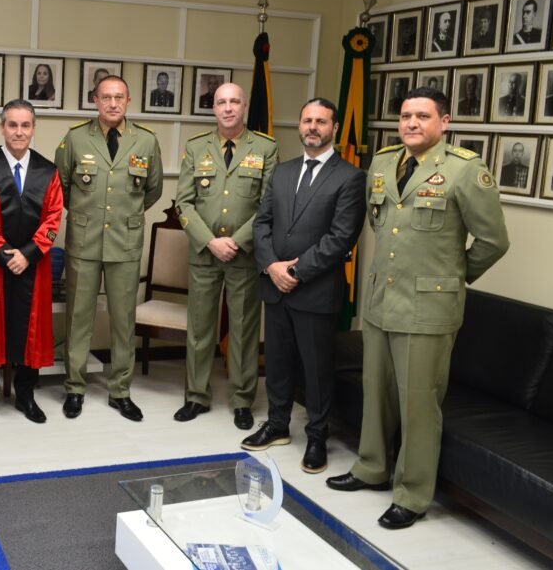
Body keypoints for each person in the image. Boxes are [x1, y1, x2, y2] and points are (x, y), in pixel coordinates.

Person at [327, 86, 509, 530]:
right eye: (406, 115)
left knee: (418, 404)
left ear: (444, 122)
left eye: (423, 116)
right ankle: (372, 467)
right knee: (375, 391)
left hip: (428, 307)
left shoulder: (465, 170)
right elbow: (382, 225)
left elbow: (493, 240)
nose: (411, 123)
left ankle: (412, 494)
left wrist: (452, 277)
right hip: (381, 301)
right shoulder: (384, 162)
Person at [243, 98, 365, 474]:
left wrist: (294, 272)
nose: (312, 127)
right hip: (275, 285)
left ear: (334, 128)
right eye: (307, 120)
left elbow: (341, 238)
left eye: (321, 121)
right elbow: (262, 223)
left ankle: (317, 436)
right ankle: (277, 424)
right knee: (277, 362)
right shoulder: (282, 172)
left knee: (316, 369)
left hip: (315, 290)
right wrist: (271, 266)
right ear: (299, 125)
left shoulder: (350, 177)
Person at [54, 75, 163, 421]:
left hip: (125, 242)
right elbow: (62, 186)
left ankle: (120, 391)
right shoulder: (75, 137)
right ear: (95, 101)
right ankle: (75, 387)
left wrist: (124, 216)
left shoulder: (146, 141)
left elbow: (153, 189)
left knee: (123, 320)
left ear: (128, 101)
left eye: (119, 97)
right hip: (84, 241)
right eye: (106, 97)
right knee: (78, 317)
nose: (113, 103)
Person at [175, 83, 278, 429]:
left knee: (244, 329)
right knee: (199, 328)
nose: (229, 108)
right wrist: (210, 241)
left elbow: (268, 205)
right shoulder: (196, 147)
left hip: (243, 255)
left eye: (234, 101)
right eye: (222, 102)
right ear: (214, 108)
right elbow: (184, 203)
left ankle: (242, 400)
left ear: (244, 106)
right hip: (204, 253)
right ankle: (196, 396)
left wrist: (236, 241)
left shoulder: (265, 148)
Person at [0, 99, 63, 426]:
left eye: (25, 125)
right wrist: (6, 254)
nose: (19, 132)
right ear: (2, 127)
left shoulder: (48, 171)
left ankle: (26, 395)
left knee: (30, 328)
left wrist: (28, 254)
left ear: (33, 128)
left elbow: (53, 218)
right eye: (12, 125)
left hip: (32, 264)